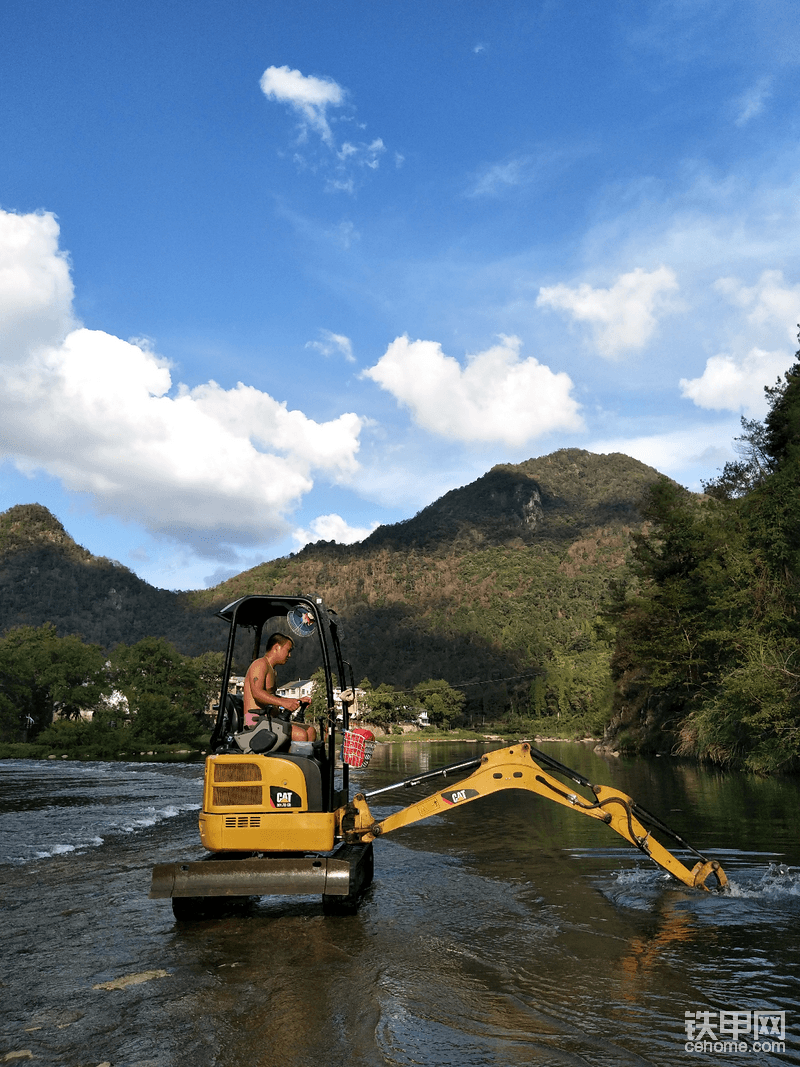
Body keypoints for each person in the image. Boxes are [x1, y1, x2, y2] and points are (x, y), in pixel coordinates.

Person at [242, 633, 316, 742]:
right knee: (300, 735)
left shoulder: (272, 670)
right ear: (277, 647)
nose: (289, 655)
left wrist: (296, 701)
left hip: (270, 720)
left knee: (310, 731)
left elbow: (271, 697)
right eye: (288, 650)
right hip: (255, 721)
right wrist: (283, 703)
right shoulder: (259, 664)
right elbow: (257, 694)